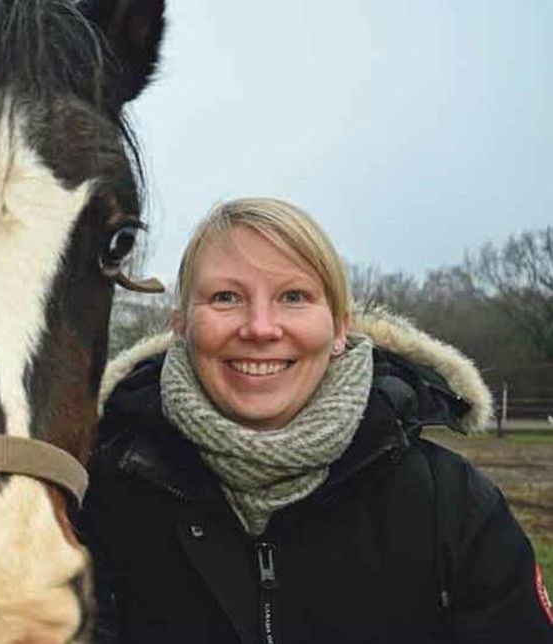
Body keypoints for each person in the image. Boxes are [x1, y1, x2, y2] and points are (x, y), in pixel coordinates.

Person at [81, 197, 553, 643]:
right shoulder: (100, 499)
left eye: (293, 296)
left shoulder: (451, 503)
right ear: (181, 325)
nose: (261, 328)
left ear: (340, 327)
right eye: (226, 297)